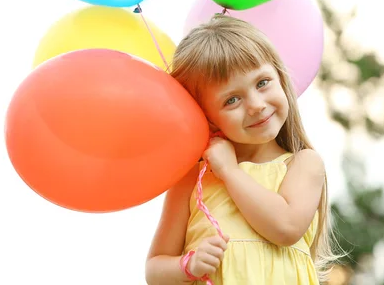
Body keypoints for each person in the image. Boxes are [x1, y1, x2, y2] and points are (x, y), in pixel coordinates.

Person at [145, 16, 341, 284]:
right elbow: (154, 270)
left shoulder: (303, 164)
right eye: (232, 100)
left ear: (280, 77)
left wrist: (229, 171)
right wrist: (186, 265)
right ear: (207, 116)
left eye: (262, 83)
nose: (257, 105)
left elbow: (285, 227)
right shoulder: (195, 178)